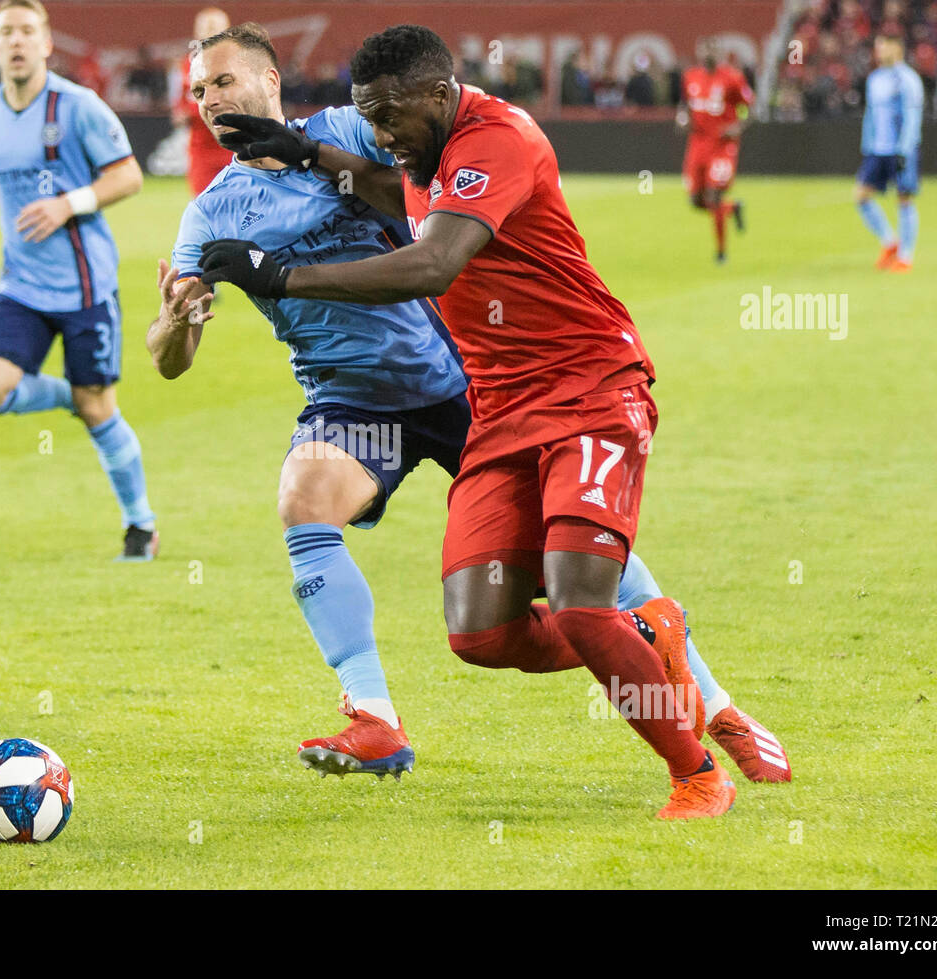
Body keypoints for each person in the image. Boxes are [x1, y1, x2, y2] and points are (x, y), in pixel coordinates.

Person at [191, 26, 790, 811]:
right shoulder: (406, 147)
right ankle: (639, 636)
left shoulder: (493, 137)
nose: (380, 134)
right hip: (481, 401)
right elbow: (385, 187)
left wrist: (284, 273)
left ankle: (703, 742)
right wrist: (306, 163)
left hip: (570, 385)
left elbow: (430, 261)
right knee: (480, 630)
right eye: (200, 89)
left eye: (224, 82)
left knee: (580, 589)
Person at [0, 0, 158, 561]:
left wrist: (69, 203)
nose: (16, 41)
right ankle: (75, 395)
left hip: (84, 286)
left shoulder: (78, 107)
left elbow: (129, 174)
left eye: (27, 31)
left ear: (46, 44)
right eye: (6, 32)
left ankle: (141, 526)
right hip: (20, 284)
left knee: (101, 413)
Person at [676, 38, 752, 263]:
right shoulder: (691, 77)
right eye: (704, 48)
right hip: (697, 145)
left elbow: (748, 107)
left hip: (722, 146)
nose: (707, 53)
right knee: (696, 201)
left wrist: (738, 125)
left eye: (711, 49)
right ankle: (733, 208)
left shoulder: (732, 78)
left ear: (719, 53)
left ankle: (721, 252)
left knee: (714, 196)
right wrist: (681, 119)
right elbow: (684, 107)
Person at [854, 30, 922, 272]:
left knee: (904, 199)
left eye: (884, 46)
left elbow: (912, 116)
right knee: (861, 196)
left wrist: (905, 149)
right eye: (878, 46)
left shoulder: (907, 79)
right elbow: (871, 115)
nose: (879, 51)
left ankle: (905, 256)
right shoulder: (875, 79)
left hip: (900, 149)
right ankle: (889, 242)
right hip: (877, 149)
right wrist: (867, 144)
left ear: (898, 49)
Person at [173, 7, 235, 197]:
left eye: (214, 26)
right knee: (203, 205)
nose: (209, 32)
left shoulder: (238, 63)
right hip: (201, 147)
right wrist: (182, 114)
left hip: (234, 145)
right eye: (205, 27)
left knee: (239, 206)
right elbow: (180, 105)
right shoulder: (187, 65)